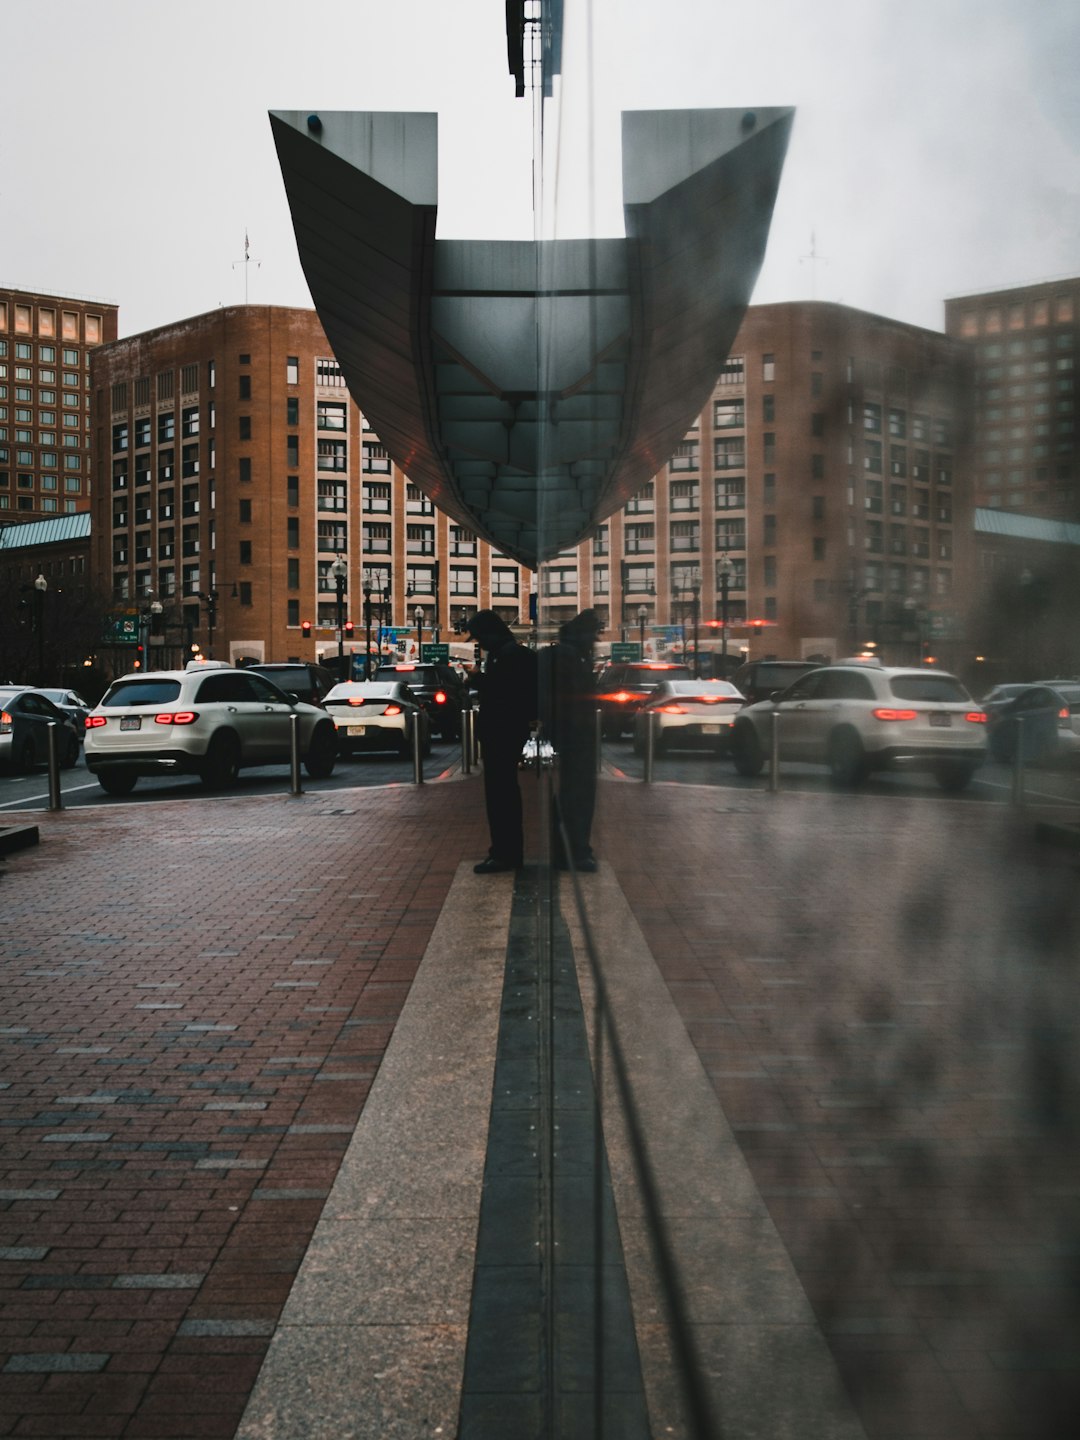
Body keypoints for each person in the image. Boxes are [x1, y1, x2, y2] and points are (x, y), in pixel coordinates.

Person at [466, 610, 538, 874]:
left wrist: (478, 680)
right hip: (506, 732)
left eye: (479, 637)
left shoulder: (507, 656)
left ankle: (505, 853)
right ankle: (505, 852)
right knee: (502, 794)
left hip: (502, 733)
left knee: (501, 796)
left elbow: (504, 694)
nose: (479, 643)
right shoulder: (509, 653)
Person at [541, 610, 601, 873]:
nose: (596, 640)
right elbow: (575, 701)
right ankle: (575, 852)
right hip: (576, 738)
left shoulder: (567, 655)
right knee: (577, 797)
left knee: (570, 796)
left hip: (570, 737)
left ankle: (570, 850)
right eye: (594, 634)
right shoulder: (571, 658)